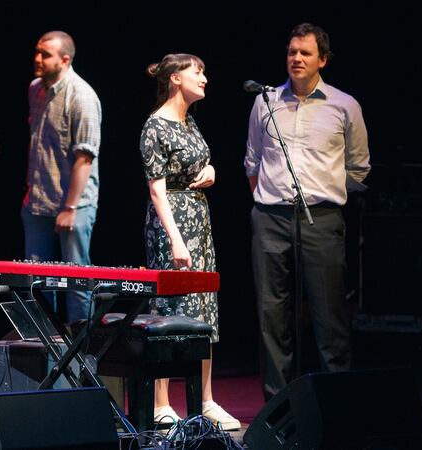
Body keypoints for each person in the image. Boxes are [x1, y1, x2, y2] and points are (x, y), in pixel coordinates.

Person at [245, 23, 370, 400]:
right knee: (272, 319)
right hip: (270, 219)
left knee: (329, 318)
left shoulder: (344, 105)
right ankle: (278, 410)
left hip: (323, 219)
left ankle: (338, 405)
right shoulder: (264, 101)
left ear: (323, 60)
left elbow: (358, 167)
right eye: (291, 52)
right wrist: (268, 201)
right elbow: (252, 163)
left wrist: (325, 194)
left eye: (305, 53)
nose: (296, 59)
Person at [140, 53, 240, 430]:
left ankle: (206, 399)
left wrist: (211, 170)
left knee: (204, 307)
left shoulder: (190, 121)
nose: (205, 78)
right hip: (172, 224)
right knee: (170, 306)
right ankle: (161, 401)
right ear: (176, 79)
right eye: (197, 71)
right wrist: (176, 241)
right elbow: (157, 192)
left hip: (200, 217)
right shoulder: (156, 126)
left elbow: (200, 163)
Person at [23, 30, 101, 323]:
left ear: (65, 60)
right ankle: (46, 351)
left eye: (45, 54)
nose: (38, 59)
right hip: (39, 202)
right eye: (37, 52)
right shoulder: (36, 89)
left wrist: (69, 208)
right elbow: (39, 144)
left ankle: (83, 354)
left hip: (74, 205)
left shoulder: (82, 96)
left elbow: (84, 158)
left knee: (76, 278)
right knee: (37, 280)